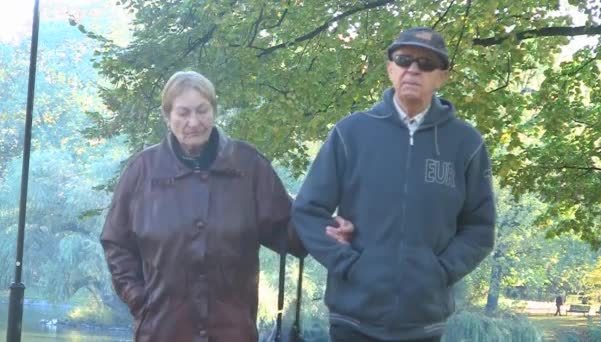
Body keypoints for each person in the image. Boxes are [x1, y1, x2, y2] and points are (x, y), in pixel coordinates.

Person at [100, 71, 354, 342]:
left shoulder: (248, 167)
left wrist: (328, 229)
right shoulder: (143, 172)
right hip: (162, 330)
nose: (193, 122)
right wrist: (140, 299)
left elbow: (288, 228)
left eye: (202, 111)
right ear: (167, 116)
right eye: (183, 113)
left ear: (214, 111)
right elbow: (116, 241)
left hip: (233, 331)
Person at [292, 27, 496, 342]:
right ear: (390, 68)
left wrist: (439, 271)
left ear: (442, 76)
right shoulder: (351, 133)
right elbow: (307, 211)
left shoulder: (466, 144)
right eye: (404, 60)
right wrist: (347, 262)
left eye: (426, 63)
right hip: (352, 318)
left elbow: (480, 229)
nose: (413, 69)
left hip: (423, 322)